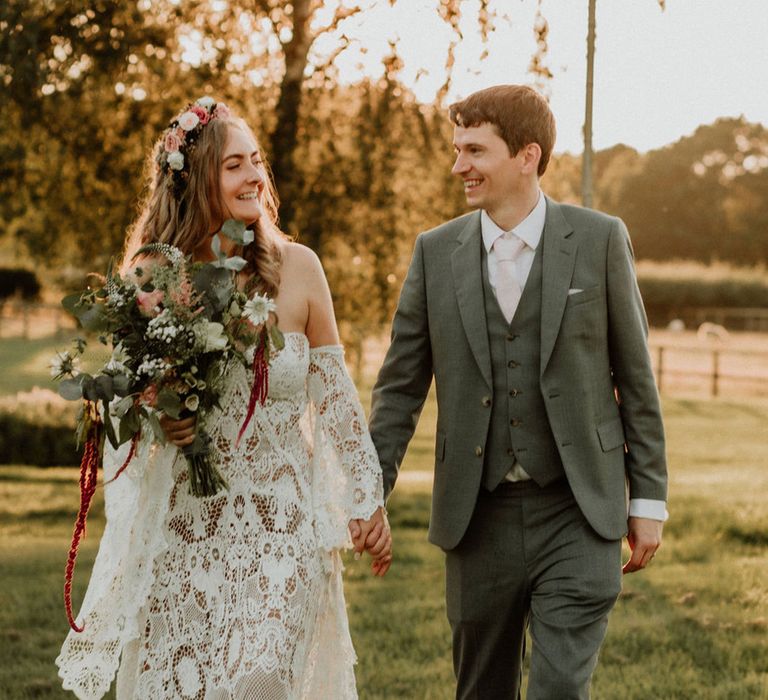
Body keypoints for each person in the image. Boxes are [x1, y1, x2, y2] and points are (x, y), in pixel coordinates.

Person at [56, 97, 391, 699]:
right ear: (197, 179)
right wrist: (161, 412)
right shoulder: (152, 280)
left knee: (260, 680)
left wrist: (367, 499)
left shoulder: (300, 268)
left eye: (257, 162)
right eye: (236, 165)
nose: (255, 177)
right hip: (187, 525)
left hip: (282, 523)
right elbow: (126, 406)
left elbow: (336, 398)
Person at [369, 85, 668, 699]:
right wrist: (370, 488)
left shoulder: (599, 239)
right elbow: (400, 388)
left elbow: (636, 380)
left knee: (559, 689)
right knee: (481, 689)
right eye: (457, 150)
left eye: (474, 150)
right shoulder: (435, 252)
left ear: (528, 155)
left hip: (579, 508)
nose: (459, 166)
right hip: (477, 517)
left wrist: (649, 501)